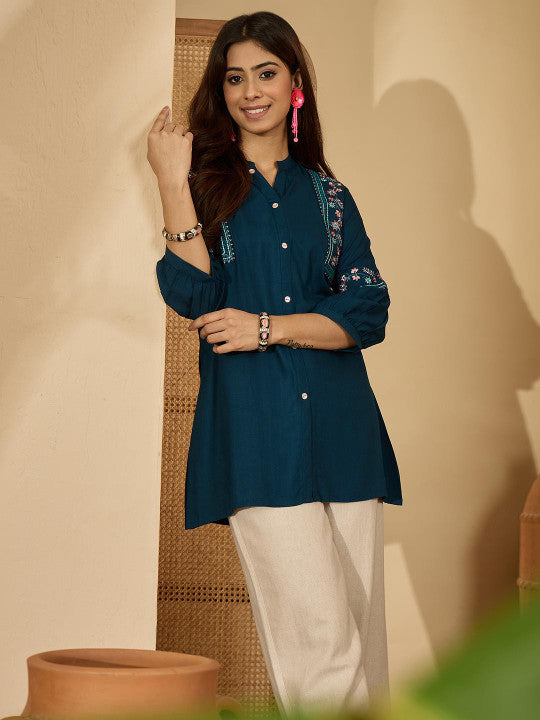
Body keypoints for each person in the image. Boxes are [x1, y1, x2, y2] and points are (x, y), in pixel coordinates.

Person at [147, 11, 403, 718]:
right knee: (319, 644)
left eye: (266, 73)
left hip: (345, 434)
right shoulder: (205, 186)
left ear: (295, 84)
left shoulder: (330, 198)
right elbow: (196, 296)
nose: (250, 91)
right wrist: (170, 180)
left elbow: (368, 310)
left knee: (363, 644)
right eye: (235, 78)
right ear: (221, 90)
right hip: (257, 434)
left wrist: (266, 328)